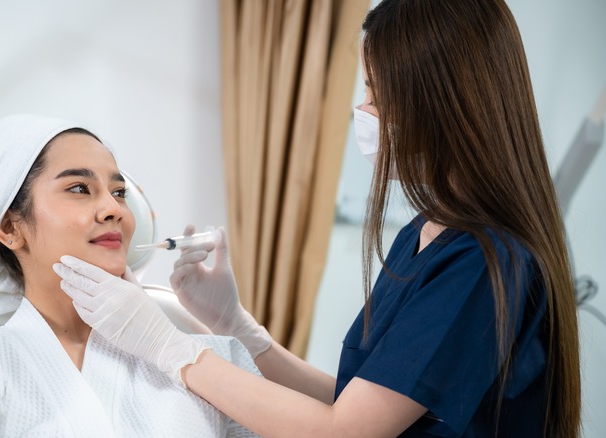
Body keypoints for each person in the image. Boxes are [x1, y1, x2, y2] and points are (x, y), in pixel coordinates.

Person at [52, 0, 582, 436]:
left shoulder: (482, 262)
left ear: (437, 101)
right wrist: (240, 330)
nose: (365, 111)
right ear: (8, 229)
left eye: (376, 93)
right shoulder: (424, 234)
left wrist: (169, 348)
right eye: (78, 187)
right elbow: (362, 402)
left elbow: (347, 429)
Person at [0, 114, 260, 437]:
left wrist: (235, 327)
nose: (112, 208)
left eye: (119, 192)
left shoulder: (208, 355)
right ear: (9, 228)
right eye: (79, 188)